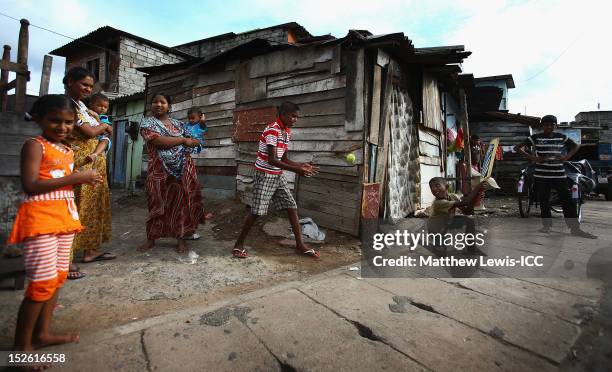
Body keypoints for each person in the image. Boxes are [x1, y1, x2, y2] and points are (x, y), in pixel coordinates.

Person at [8, 95, 102, 354]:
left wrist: (81, 178)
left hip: (64, 219)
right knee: (41, 282)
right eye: (55, 121)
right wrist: (76, 177)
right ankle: (21, 349)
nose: (63, 127)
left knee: (57, 278)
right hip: (40, 221)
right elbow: (31, 185)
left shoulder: (68, 150)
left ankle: (42, 333)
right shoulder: (34, 146)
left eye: (69, 122)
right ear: (38, 119)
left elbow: (65, 180)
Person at [232, 102, 320, 259]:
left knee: (291, 206)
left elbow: (284, 158)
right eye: (293, 116)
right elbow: (272, 160)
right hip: (265, 174)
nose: (295, 119)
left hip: (277, 174)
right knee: (257, 212)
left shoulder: (286, 131)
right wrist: (297, 170)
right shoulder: (273, 129)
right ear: (284, 114)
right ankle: (238, 245)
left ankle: (300, 245)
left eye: (297, 117)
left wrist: (300, 165)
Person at [138, 94, 204, 253]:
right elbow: (158, 141)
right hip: (158, 170)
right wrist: (182, 140)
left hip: (181, 169)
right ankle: (151, 238)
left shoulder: (178, 124)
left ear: (169, 106)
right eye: (155, 102)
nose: (158, 105)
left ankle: (181, 239)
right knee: (156, 201)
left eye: (163, 102)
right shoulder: (147, 123)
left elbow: (195, 139)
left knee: (180, 203)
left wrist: (192, 140)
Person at [64, 67, 116, 267]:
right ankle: (66, 260)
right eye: (84, 84)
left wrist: (100, 126)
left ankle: (90, 250)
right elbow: (89, 131)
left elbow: (97, 128)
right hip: (81, 162)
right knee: (76, 206)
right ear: (70, 81)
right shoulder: (67, 105)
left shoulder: (83, 107)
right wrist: (104, 126)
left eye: (90, 86)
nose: (87, 89)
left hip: (95, 163)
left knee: (93, 207)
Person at [514, 114, 596, 238]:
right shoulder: (535, 137)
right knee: (544, 201)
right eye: (546, 125)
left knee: (567, 201)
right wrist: (534, 158)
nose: (549, 127)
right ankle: (546, 226)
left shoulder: (561, 137)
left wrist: (566, 157)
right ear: (542, 126)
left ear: (555, 126)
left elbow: (576, 146)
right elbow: (517, 148)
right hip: (541, 175)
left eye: (552, 125)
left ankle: (575, 229)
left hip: (559, 174)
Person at [84, 92, 112, 164]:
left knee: (105, 140)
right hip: (91, 139)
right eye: (99, 105)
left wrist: (96, 117)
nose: (103, 108)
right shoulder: (86, 113)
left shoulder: (104, 117)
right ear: (91, 104)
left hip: (101, 138)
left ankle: (95, 154)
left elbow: (109, 130)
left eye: (105, 107)